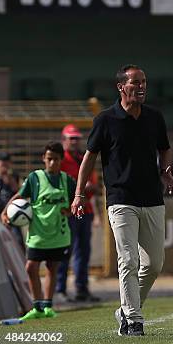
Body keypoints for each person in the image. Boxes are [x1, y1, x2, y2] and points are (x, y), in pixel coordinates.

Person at [71, 64, 173, 336]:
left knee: (154, 264)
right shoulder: (105, 120)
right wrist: (78, 194)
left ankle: (125, 309)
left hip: (152, 198)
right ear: (121, 87)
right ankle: (133, 320)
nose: (141, 86)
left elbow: (165, 149)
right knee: (128, 260)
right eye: (135, 82)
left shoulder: (154, 118)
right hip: (121, 199)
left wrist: (166, 171)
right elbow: (88, 159)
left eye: (144, 81)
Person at [0, 142, 76, 320]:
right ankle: (37, 306)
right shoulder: (35, 178)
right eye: (49, 159)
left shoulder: (67, 180)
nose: (52, 163)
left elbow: (76, 202)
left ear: (61, 160)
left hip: (59, 233)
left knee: (52, 267)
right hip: (38, 233)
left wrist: (70, 210)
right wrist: (6, 210)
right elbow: (20, 195)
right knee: (31, 267)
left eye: (56, 159)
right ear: (43, 158)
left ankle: (47, 306)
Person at [56, 124, 101, 303]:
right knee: (65, 250)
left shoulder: (85, 158)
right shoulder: (60, 160)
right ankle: (60, 289)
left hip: (86, 210)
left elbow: (95, 186)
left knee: (84, 251)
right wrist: (79, 187)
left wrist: (96, 212)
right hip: (68, 211)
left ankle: (82, 288)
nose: (74, 141)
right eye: (71, 138)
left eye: (76, 138)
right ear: (64, 140)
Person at [0, 152, 23, 249]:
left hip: (12, 213)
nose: (4, 165)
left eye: (6, 162)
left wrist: (10, 180)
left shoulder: (14, 176)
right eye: (2, 162)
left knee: (18, 239)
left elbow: (20, 193)